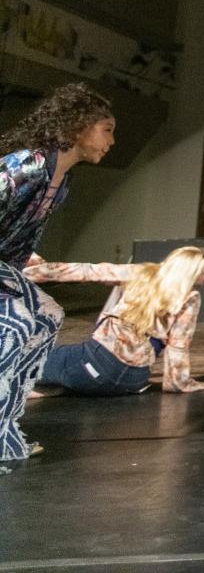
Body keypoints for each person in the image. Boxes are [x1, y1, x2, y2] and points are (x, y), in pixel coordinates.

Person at [0, 82, 114, 460]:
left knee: (47, 315)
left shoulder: (61, 181)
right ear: (79, 126)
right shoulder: (28, 164)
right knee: (16, 326)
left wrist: (23, 258)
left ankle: (6, 429)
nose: (111, 141)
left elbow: (21, 230)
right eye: (107, 130)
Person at [25, 246, 204, 396]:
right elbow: (178, 346)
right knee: (59, 372)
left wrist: (31, 272)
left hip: (95, 365)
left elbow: (87, 271)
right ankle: (46, 386)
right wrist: (181, 383)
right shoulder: (190, 299)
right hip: (132, 381)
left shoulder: (141, 273)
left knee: (21, 356)